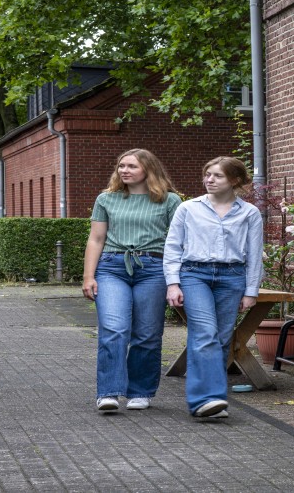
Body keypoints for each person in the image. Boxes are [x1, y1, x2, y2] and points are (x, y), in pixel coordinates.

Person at [82, 148, 182, 413]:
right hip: (112, 268)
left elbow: (178, 242)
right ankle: (109, 392)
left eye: (131, 167)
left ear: (148, 170)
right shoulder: (107, 199)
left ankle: (140, 391)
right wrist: (88, 276)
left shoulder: (170, 201)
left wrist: (176, 279)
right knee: (114, 329)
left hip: (153, 268)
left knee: (147, 334)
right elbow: (96, 239)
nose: (124, 171)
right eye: (121, 166)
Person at [163, 156, 264, 419]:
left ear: (235, 180)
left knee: (218, 339)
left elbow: (255, 254)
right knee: (205, 333)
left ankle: (205, 403)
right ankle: (208, 398)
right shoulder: (188, 209)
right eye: (207, 174)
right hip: (194, 274)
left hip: (232, 277)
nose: (209, 180)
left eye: (217, 176)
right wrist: (173, 283)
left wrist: (251, 290)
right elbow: (172, 247)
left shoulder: (249, 213)